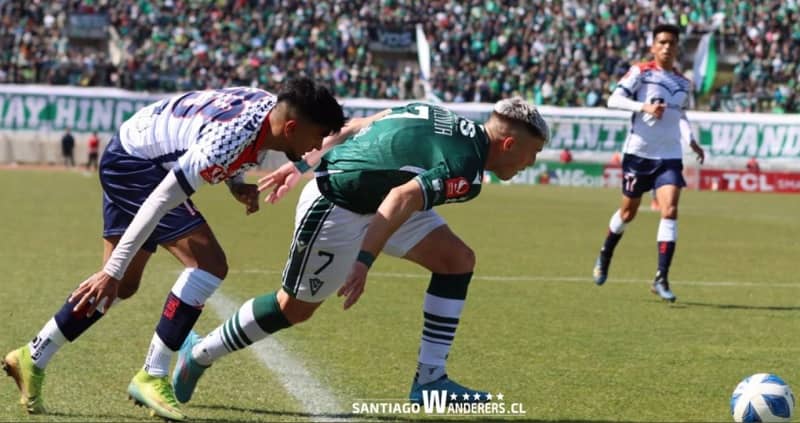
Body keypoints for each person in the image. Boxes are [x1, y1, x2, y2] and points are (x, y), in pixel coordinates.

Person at [2, 78, 345, 421]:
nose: (316, 147)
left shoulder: (265, 108)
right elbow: (161, 199)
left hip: (132, 148)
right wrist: (111, 269)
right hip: (137, 167)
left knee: (123, 287)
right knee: (208, 264)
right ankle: (153, 373)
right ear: (291, 127)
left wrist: (236, 184)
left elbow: (211, 128)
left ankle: (33, 355)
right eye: (318, 136)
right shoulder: (234, 137)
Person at [170, 98, 550, 407]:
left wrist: (300, 163)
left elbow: (355, 127)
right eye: (532, 154)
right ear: (509, 144)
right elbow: (401, 197)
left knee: (456, 261)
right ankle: (199, 353)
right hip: (338, 203)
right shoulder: (466, 172)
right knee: (294, 308)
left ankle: (431, 381)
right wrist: (364, 261)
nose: (530, 163)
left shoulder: (434, 111)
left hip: (382, 200)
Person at [591, 24, 705, 302]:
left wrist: (690, 139)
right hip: (639, 154)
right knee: (628, 213)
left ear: (677, 48)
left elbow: (680, 115)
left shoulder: (683, 83)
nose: (667, 47)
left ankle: (661, 278)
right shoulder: (640, 72)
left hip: (669, 156)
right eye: (662, 42)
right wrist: (643, 107)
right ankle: (606, 253)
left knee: (670, 209)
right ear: (654, 46)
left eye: (671, 43)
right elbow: (613, 100)